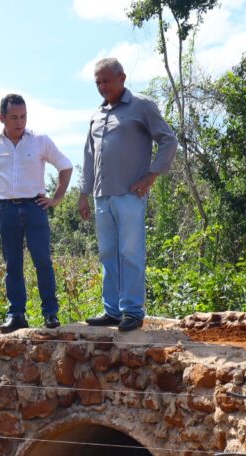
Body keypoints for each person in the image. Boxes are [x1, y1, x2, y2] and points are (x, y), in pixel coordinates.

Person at [78, 57, 178, 332]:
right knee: (108, 253)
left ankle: (133, 311)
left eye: (106, 81)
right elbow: (89, 156)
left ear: (122, 78)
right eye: (98, 82)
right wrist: (84, 193)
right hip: (102, 196)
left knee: (130, 252)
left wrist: (152, 175)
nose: (102, 87)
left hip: (130, 194)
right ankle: (112, 311)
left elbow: (168, 140)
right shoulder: (97, 114)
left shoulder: (142, 106)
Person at [0, 94, 73, 333]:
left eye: (23, 116)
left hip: (35, 207)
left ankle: (50, 313)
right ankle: (16, 314)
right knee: (13, 264)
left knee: (43, 261)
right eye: (14, 117)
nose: (20, 122)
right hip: (6, 209)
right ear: (2, 118)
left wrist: (57, 198)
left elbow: (66, 166)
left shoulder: (40, 140)